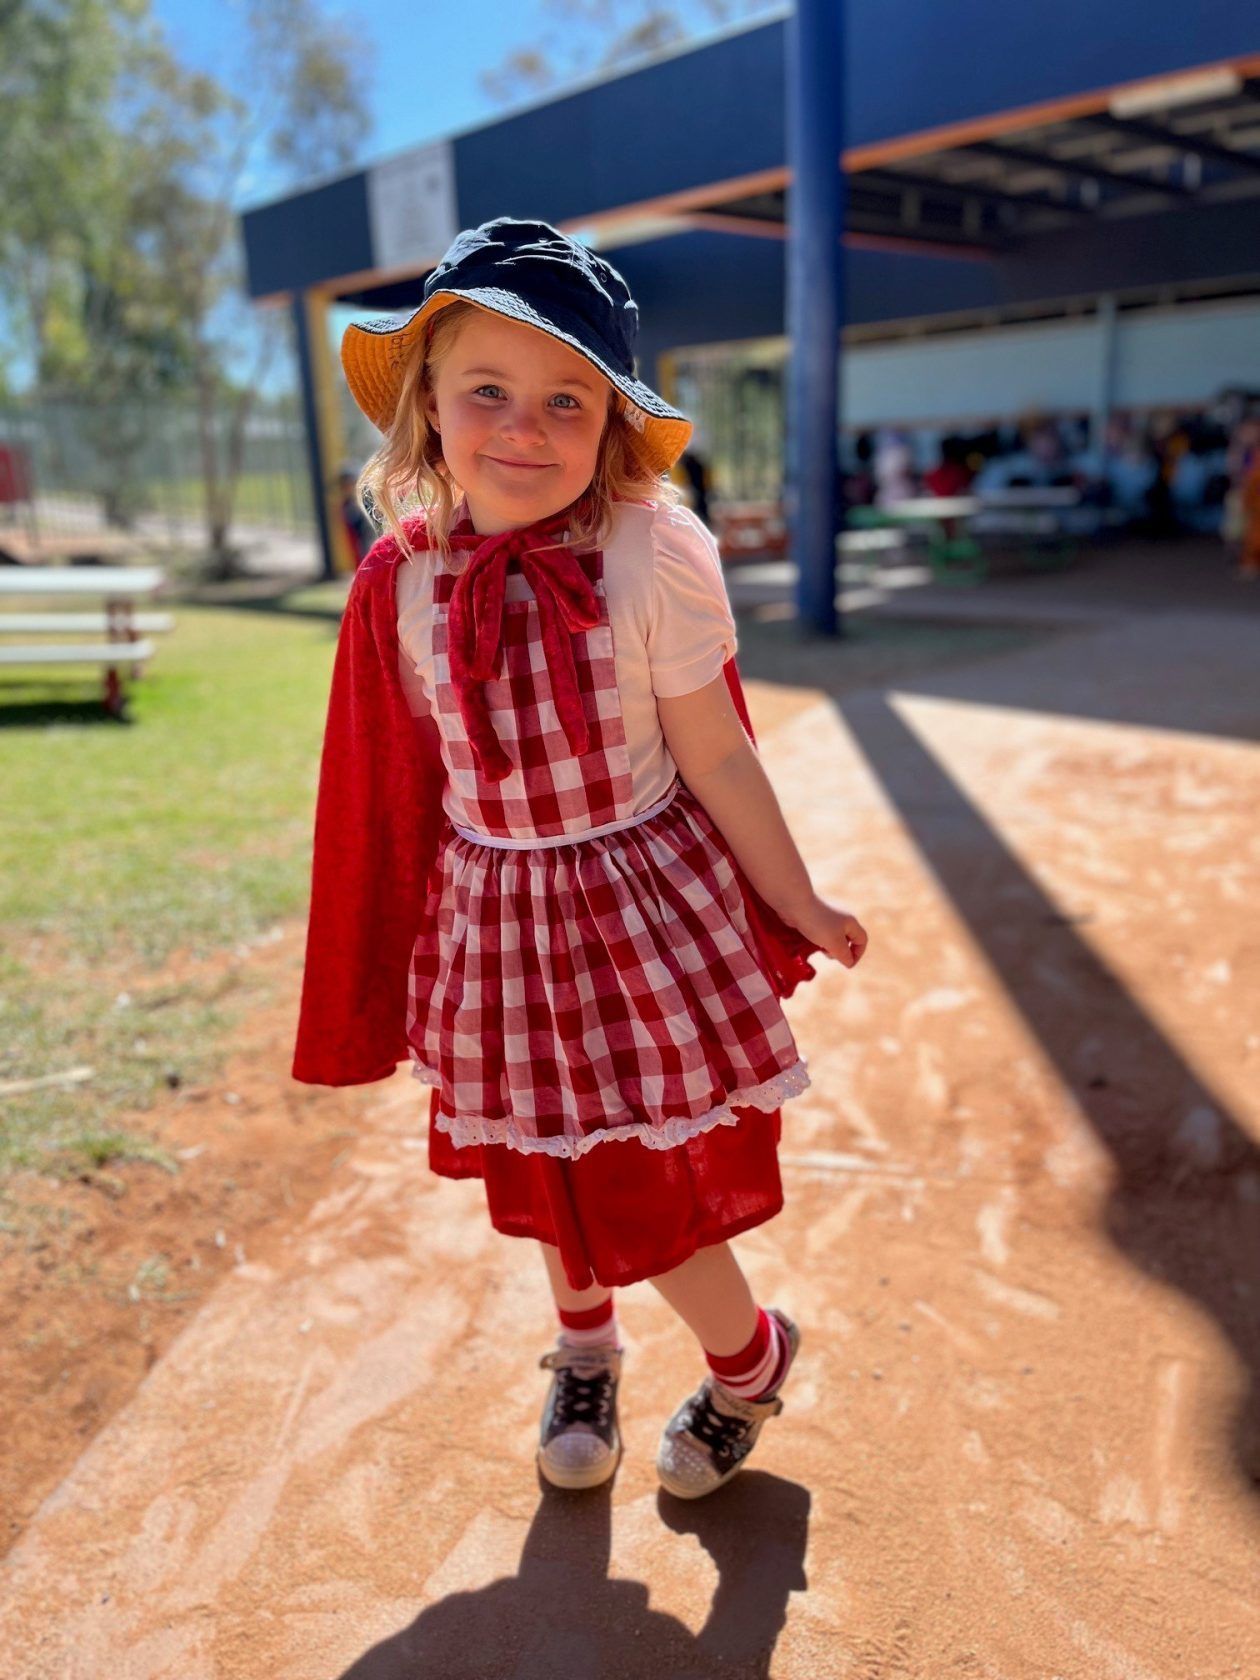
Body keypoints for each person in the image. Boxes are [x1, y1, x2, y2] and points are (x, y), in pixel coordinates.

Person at [291, 217, 867, 1500]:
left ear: (612, 422)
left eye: (568, 399)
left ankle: (747, 1360)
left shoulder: (651, 553)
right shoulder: (399, 579)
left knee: (637, 1184)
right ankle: (587, 1350)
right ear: (429, 408)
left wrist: (796, 898)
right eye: (486, 390)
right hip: (497, 919)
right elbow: (404, 790)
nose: (525, 426)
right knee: (546, 1160)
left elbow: (715, 755)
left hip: (633, 912)